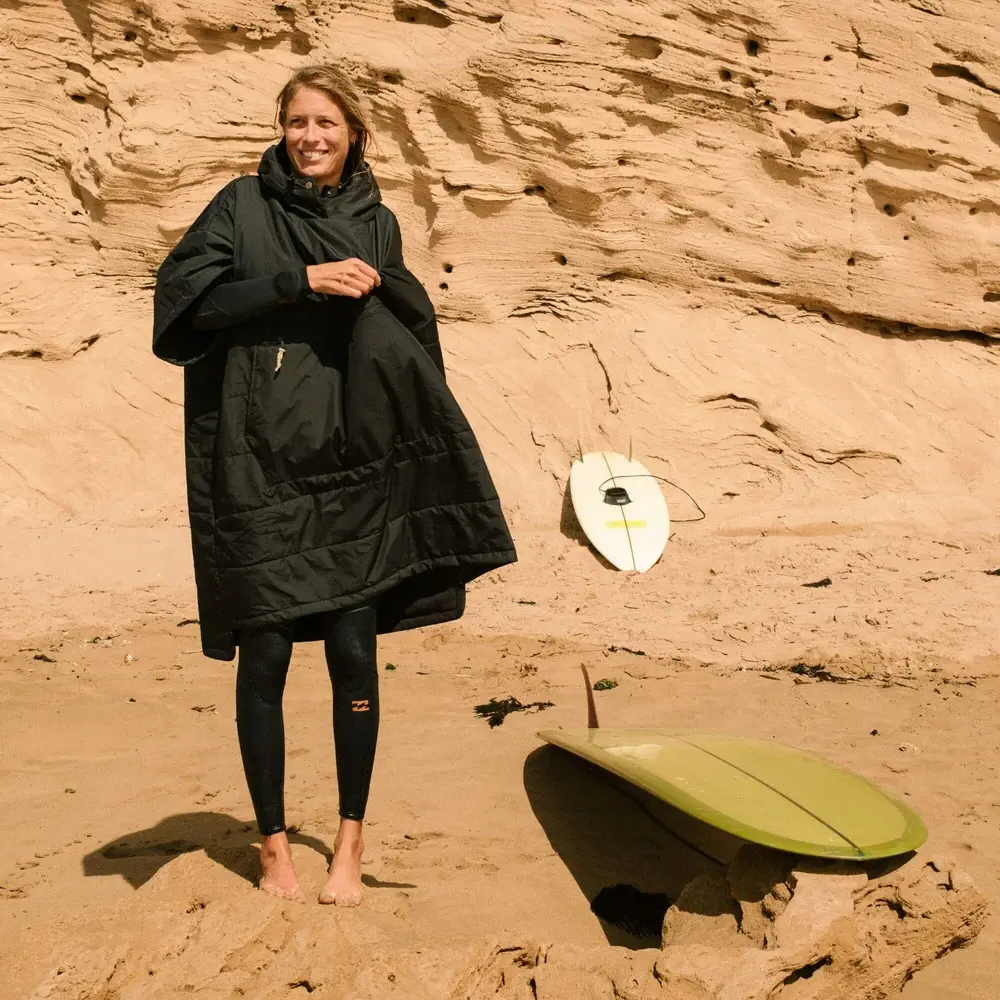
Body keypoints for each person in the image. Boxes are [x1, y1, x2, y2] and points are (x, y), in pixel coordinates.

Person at [152, 65, 517, 905]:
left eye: (326, 123)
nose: (310, 137)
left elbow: (402, 339)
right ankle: (274, 845)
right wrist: (298, 280)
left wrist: (387, 284)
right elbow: (184, 309)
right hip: (257, 463)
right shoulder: (240, 208)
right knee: (268, 653)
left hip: (354, 465)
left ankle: (349, 843)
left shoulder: (376, 222)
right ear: (280, 130)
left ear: (354, 134)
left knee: (355, 650)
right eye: (296, 123)